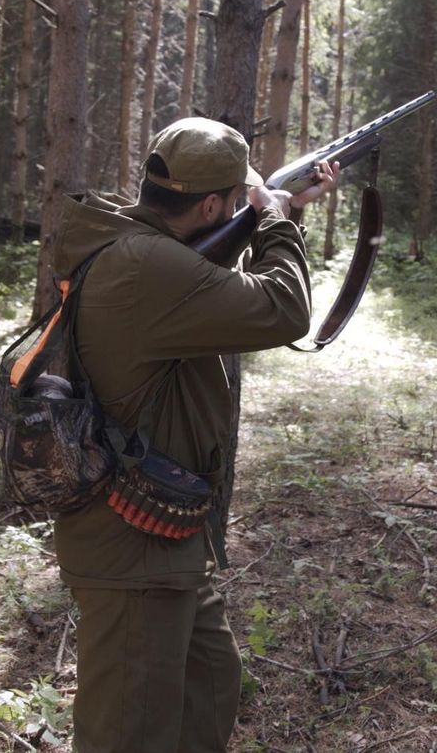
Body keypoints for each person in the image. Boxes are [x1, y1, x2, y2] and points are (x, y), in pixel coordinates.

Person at [51, 116, 339, 753]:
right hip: (134, 548)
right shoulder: (146, 265)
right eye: (233, 201)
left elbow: (195, 277)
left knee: (207, 684)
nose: (240, 209)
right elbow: (285, 311)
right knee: (130, 731)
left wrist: (271, 209)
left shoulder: (135, 242)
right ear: (213, 204)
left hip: (162, 530)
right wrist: (275, 219)